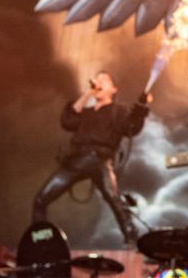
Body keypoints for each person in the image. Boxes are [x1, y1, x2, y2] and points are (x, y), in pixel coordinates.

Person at [32, 70, 150, 244]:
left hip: (100, 160)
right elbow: (68, 121)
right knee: (41, 199)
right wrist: (89, 93)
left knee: (115, 200)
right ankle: (40, 241)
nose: (99, 82)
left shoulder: (117, 111)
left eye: (105, 80)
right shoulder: (86, 112)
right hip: (77, 160)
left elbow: (131, 126)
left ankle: (132, 240)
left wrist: (141, 108)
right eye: (97, 79)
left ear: (114, 89)